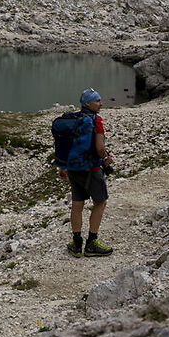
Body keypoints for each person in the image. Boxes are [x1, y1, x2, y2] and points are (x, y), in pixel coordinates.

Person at [50, 88, 115, 257]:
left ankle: (76, 244)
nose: (101, 103)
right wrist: (106, 158)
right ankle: (92, 243)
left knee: (77, 205)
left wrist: (63, 166)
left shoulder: (74, 119)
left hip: (73, 169)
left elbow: (69, 147)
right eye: (97, 101)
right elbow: (100, 148)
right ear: (87, 103)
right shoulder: (96, 121)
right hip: (92, 169)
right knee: (100, 203)